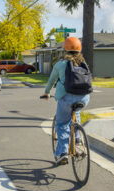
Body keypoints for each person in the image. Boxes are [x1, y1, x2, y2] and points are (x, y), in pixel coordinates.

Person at [40, 37, 90, 165]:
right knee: (76, 111)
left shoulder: (60, 64)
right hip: (84, 97)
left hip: (67, 98)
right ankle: (77, 139)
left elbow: (51, 81)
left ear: (65, 50)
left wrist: (46, 93)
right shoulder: (83, 63)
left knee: (62, 124)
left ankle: (63, 153)